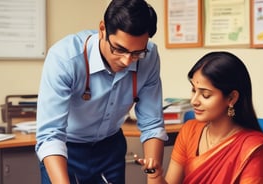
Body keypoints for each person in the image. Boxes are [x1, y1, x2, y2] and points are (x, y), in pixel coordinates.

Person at [35, 0, 168, 183]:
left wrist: (153, 173)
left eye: (137, 53)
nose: (127, 61)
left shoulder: (150, 57)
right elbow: (50, 135)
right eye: (119, 49)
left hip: (110, 149)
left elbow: (152, 124)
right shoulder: (64, 58)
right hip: (65, 151)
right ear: (102, 29)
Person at [138, 51, 263, 183]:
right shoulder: (189, 131)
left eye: (205, 95)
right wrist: (155, 176)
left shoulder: (252, 150)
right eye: (193, 90)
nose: (194, 101)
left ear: (231, 98)